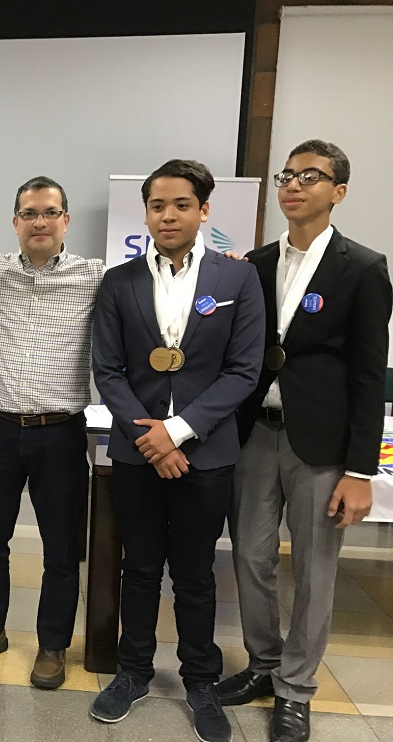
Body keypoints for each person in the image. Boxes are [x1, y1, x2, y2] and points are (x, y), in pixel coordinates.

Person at [215, 140, 392, 742]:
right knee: (249, 558)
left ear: (337, 191)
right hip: (254, 436)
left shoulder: (364, 267)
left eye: (310, 177)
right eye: (287, 175)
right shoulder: (255, 264)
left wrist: (360, 470)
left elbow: (370, 374)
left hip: (321, 445)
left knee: (315, 571)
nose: (293, 185)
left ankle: (295, 690)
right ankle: (262, 666)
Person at [90, 160, 265, 742]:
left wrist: (180, 431)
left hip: (206, 453)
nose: (169, 215)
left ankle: (200, 680)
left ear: (204, 211)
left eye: (181, 205)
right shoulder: (119, 281)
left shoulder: (236, 280)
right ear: (146, 213)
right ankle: (134, 672)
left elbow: (243, 372)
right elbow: (108, 371)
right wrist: (153, 437)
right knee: (137, 568)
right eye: (158, 206)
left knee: (194, 574)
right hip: (138, 451)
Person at [0, 176, 102, 690]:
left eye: (50, 212)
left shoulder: (96, 278)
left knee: (61, 548)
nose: (40, 221)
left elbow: (155, 281)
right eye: (29, 213)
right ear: (15, 222)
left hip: (60, 434)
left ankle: (53, 643)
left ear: (65, 220)